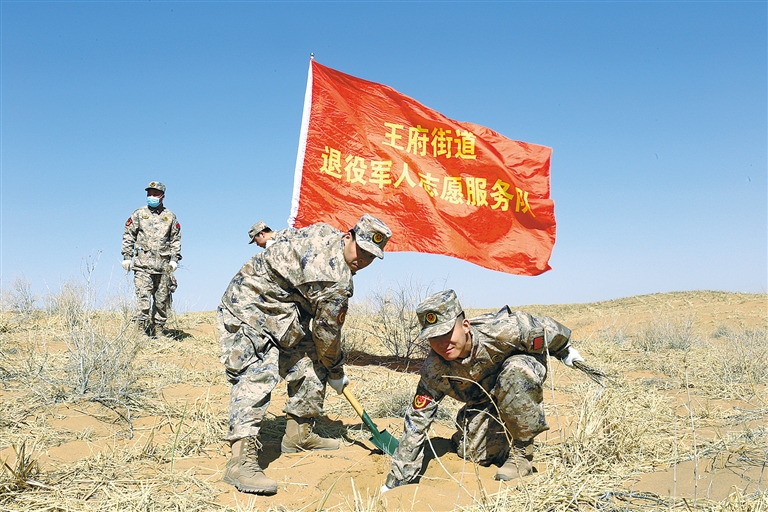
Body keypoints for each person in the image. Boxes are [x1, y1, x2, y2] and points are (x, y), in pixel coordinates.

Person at [218, 213, 392, 495]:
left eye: (371, 256)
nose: (363, 259)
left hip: (284, 311)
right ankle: (240, 462)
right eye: (361, 250)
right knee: (257, 373)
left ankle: (298, 435)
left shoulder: (325, 231)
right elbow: (327, 336)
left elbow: (283, 236)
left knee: (312, 360)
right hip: (248, 304)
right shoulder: (336, 281)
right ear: (348, 237)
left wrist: (328, 365)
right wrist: (337, 371)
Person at [382, 289, 584, 490]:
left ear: (465, 326)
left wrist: (564, 350)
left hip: (520, 374)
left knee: (515, 370)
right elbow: (417, 420)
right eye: (434, 337)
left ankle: (522, 453)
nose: (442, 343)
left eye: (447, 333)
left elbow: (543, 329)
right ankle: (496, 427)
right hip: (486, 397)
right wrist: (399, 478)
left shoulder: (501, 331)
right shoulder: (434, 370)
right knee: (473, 453)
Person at [121, 181, 182, 337]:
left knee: (162, 301)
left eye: (155, 194)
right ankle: (139, 330)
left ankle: (158, 330)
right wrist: (127, 256)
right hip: (143, 266)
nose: (152, 197)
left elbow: (175, 239)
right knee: (143, 299)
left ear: (162, 196)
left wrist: (174, 259)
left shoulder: (170, 216)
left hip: (163, 267)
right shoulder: (139, 214)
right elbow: (129, 235)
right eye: (149, 194)